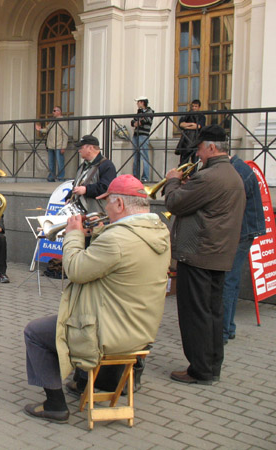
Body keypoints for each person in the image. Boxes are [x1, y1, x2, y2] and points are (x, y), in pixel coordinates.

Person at [23, 175, 170, 423]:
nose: (104, 210)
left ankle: (54, 404)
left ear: (121, 205)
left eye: (108, 204)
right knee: (82, 310)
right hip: (140, 329)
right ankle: (81, 382)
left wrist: (74, 235)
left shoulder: (118, 239)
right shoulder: (157, 232)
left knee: (35, 333)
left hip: (108, 332)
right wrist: (99, 232)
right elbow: (118, 261)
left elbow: (76, 270)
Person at [164, 124, 245, 385]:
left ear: (211, 147)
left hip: (198, 254)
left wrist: (173, 179)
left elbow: (174, 202)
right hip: (218, 254)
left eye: (199, 149)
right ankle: (211, 367)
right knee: (212, 313)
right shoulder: (231, 173)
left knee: (195, 314)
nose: (197, 155)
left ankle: (199, 369)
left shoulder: (209, 177)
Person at [223, 155, 266, 345]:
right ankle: (228, 327)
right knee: (232, 280)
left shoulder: (236, 172)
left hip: (241, 231)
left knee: (227, 281)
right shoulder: (238, 168)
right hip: (246, 230)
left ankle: (223, 330)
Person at [65, 135, 117, 216]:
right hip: (81, 214)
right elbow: (76, 185)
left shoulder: (107, 165)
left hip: (97, 215)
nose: (79, 151)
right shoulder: (82, 166)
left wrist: (86, 190)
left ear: (90, 148)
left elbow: (106, 188)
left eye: (81, 148)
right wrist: (69, 197)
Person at [36, 106, 69, 182]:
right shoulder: (52, 121)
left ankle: (61, 178)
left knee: (60, 163)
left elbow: (65, 134)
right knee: (51, 163)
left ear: (59, 111)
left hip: (58, 145)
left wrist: (63, 146)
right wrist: (40, 130)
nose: (53, 112)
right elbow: (47, 129)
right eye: (53, 111)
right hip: (50, 145)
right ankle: (51, 177)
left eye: (54, 111)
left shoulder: (63, 121)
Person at [130, 96, 154, 182]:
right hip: (136, 135)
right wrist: (138, 122)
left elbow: (147, 120)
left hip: (143, 135)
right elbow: (133, 122)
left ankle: (145, 178)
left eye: (138, 102)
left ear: (142, 102)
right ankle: (136, 176)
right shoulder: (139, 112)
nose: (137, 104)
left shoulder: (150, 111)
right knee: (136, 157)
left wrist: (139, 122)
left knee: (144, 156)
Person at [176, 99, 206, 166]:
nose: (194, 108)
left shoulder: (201, 116)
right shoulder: (186, 115)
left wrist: (187, 126)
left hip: (196, 141)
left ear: (199, 107)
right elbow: (181, 124)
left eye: (196, 106)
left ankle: (193, 176)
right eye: (193, 106)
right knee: (183, 162)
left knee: (194, 163)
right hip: (186, 141)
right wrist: (192, 125)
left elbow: (198, 126)